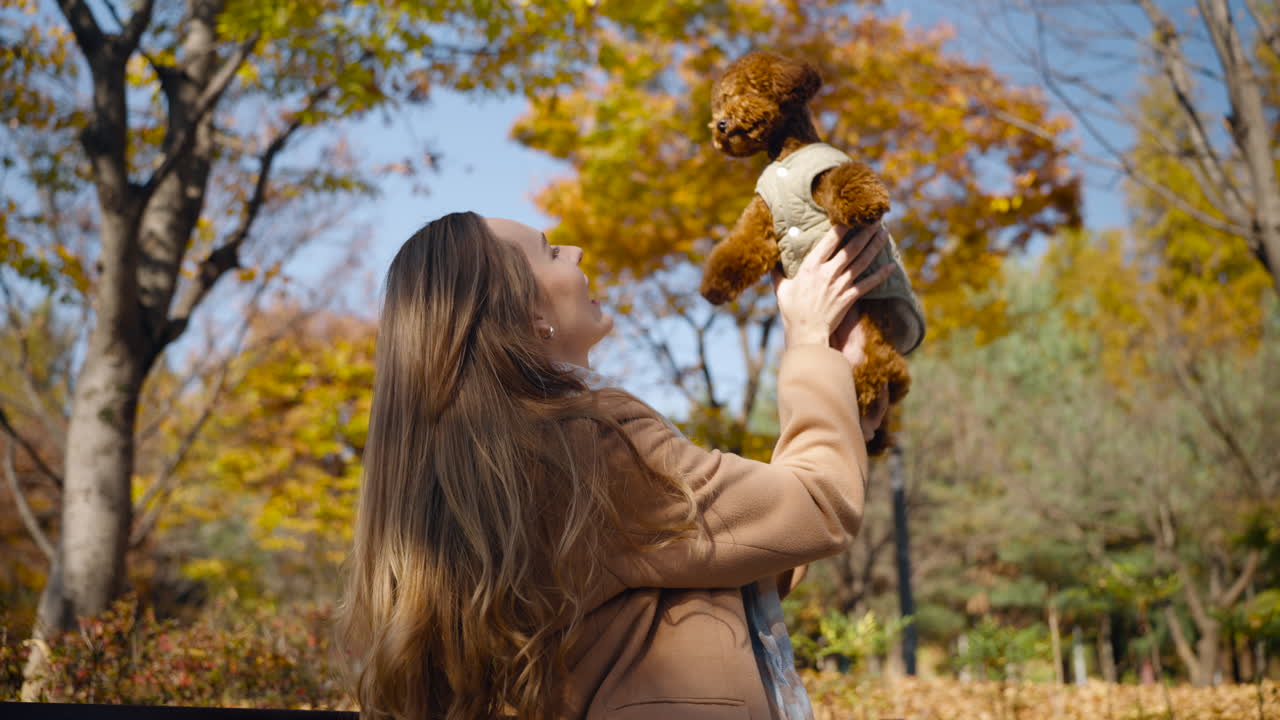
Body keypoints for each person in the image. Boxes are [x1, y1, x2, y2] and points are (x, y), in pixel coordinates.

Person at [337, 211, 896, 720]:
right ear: (525, 312)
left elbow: (746, 551)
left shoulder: (488, 470)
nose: (576, 250)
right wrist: (809, 340)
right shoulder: (590, 445)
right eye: (550, 250)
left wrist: (844, 397)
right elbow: (821, 506)